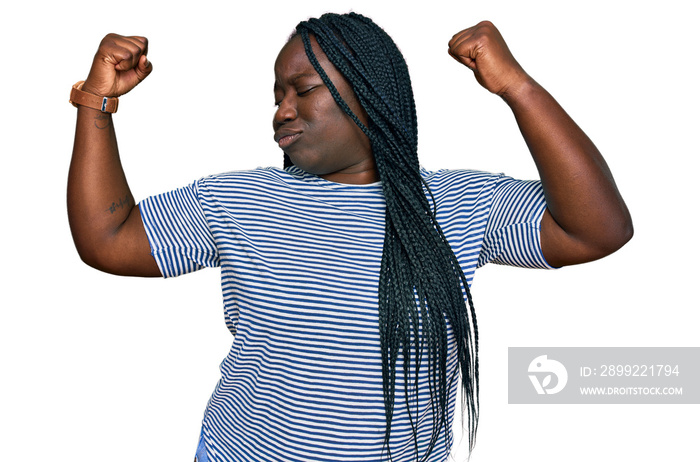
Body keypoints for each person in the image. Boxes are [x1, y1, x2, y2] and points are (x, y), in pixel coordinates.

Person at [67, 12, 632, 462]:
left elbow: (597, 229)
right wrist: (97, 102)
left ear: (367, 92)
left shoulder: (454, 205)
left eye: (302, 89)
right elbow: (108, 239)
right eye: (275, 95)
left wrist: (517, 87)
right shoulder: (239, 202)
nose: (281, 111)